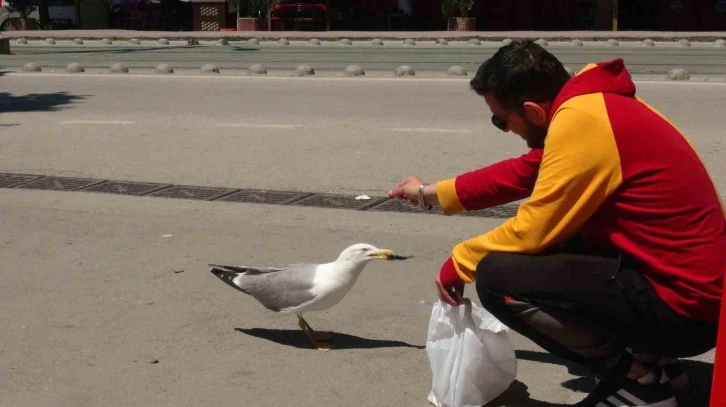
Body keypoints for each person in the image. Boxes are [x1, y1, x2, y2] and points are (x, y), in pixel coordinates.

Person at [387, 40, 724, 407]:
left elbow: (534, 229)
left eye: (502, 120)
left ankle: (641, 385)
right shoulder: (595, 104)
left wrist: (460, 261)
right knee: (564, 244)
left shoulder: (582, 121)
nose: (504, 128)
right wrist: (426, 193)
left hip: (683, 308)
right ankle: (657, 364)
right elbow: (521, 174)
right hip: (688, 290)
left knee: (499, 277)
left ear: (533, 111)